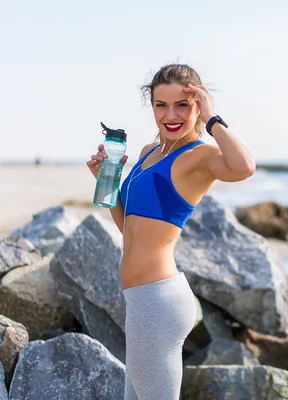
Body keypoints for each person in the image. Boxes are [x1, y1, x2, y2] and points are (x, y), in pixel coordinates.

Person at [86, 63, 256, 400]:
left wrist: (212, 119)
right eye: (161, 105)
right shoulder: (149, 153)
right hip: (139, 300)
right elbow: (130, 230)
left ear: (198, 105)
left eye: (182, 104)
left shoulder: (200, 155)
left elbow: (244, 167)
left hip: (158, 301)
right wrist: (106, 182)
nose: (171, 115)